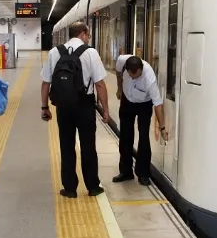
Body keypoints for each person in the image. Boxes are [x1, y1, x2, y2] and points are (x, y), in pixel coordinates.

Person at [40, 21, 109, 198]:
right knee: (88, 146)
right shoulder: (90, 52)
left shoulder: (55, 52)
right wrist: (105, 110)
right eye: (88, 35)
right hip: (85, 105)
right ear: (83, 33)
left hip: (63, 106)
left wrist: (45, 107)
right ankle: (93, 186)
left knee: (66, 146)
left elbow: (45, 83)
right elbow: (100, 84)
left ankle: (70, 188)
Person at [113, 55, 168, 186]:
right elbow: (118, 72)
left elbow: (158, 104)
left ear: (141, 70)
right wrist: (120, 88)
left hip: (144, 104)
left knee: (143, 138)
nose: (134, 78)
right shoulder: (122, 61)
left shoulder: (149, 78)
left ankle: (143, 173)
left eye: (137, 76)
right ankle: (126, 171)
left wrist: (162, 128)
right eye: (131, 76)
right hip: (127, 101)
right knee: (125, 136)